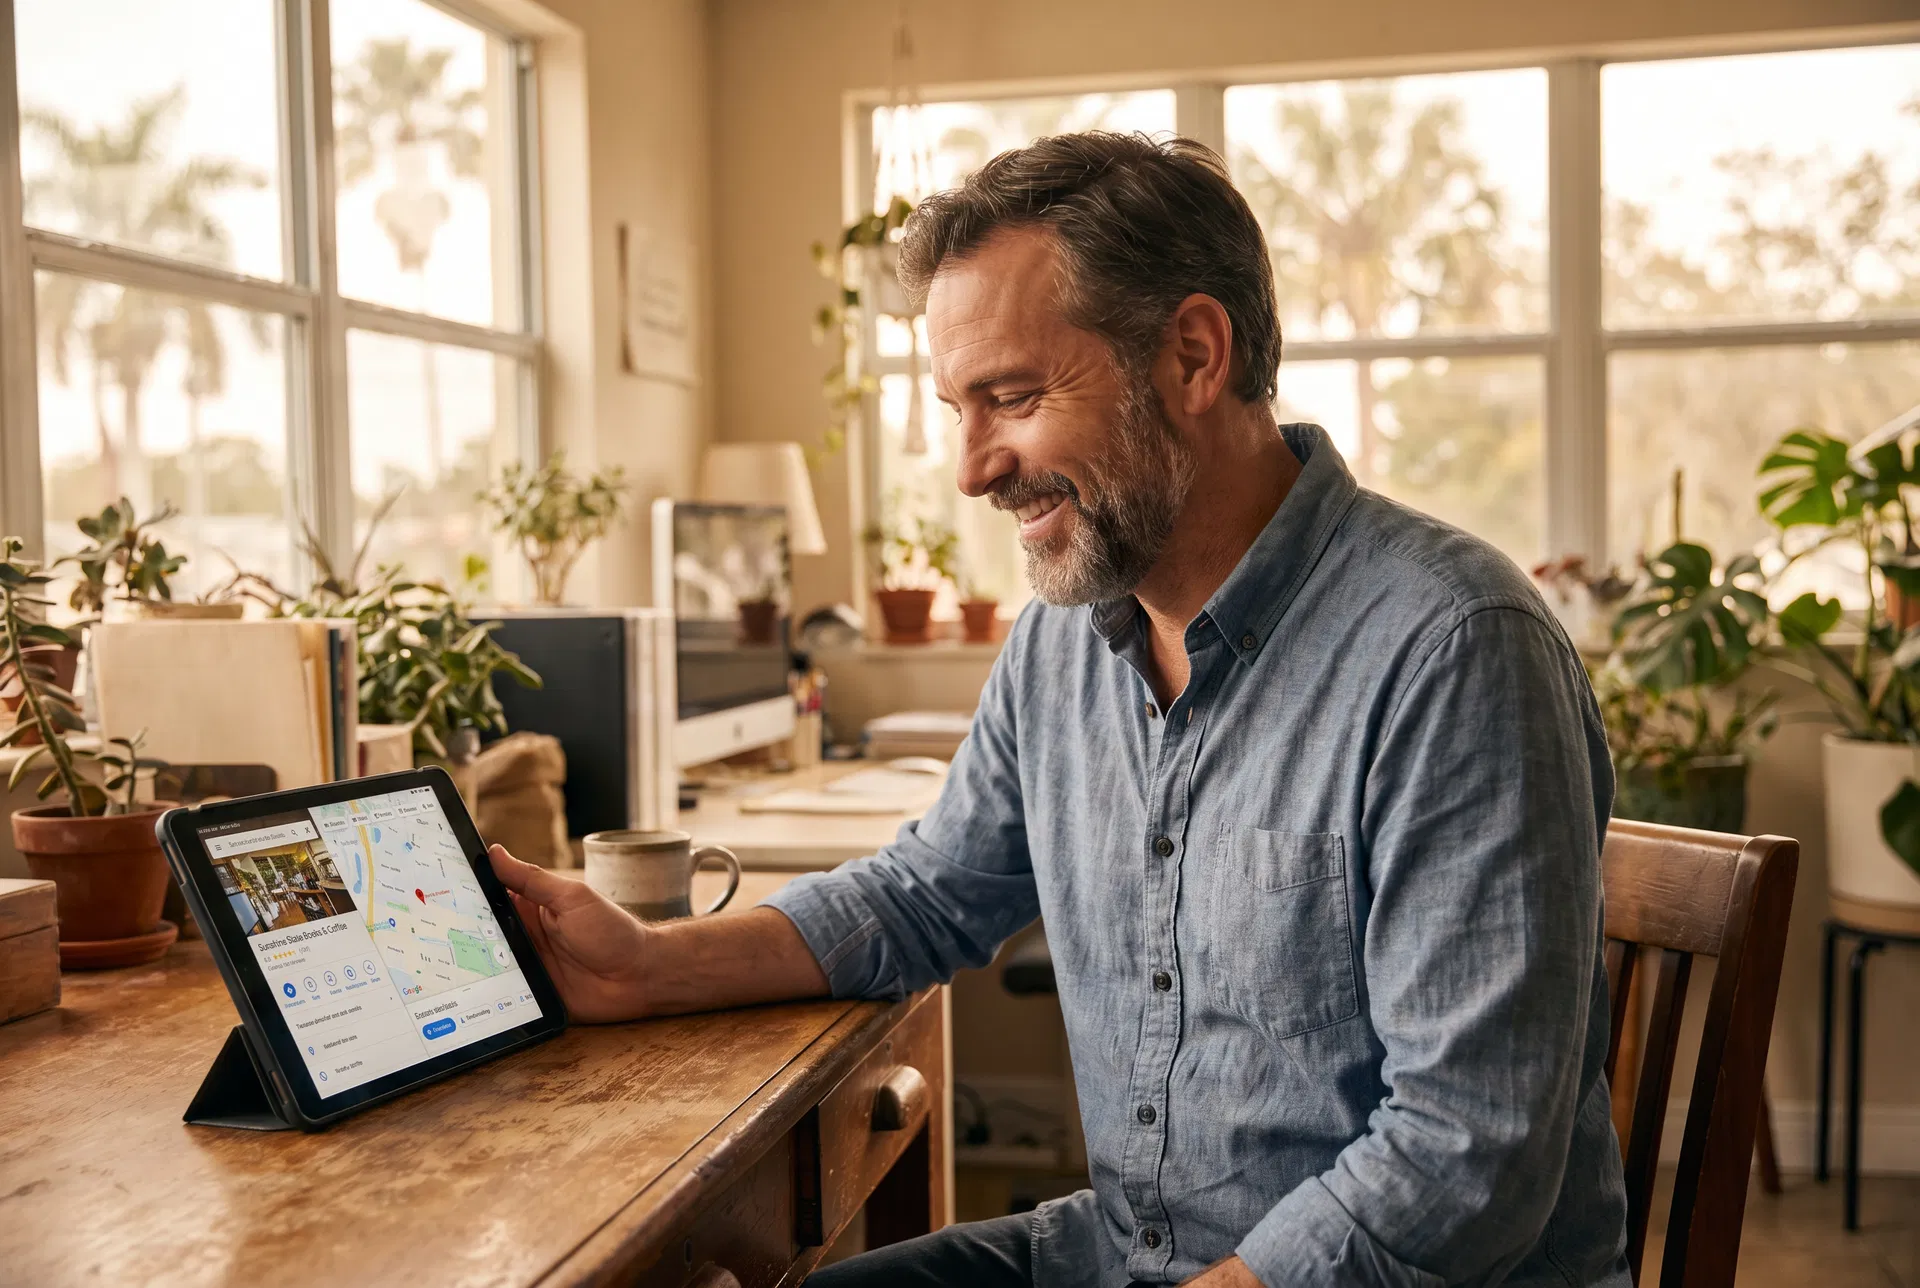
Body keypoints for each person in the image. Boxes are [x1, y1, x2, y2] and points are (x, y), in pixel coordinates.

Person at [490, 132, 1630, 1288]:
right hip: (1126, 1252)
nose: (973, 469)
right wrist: (647, 964)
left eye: (1013, 397)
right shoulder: (1063, 642)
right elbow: (927, 893)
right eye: (959, 409)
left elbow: (1465, 1150)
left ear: (1193, 356)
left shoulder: (1455, 648)